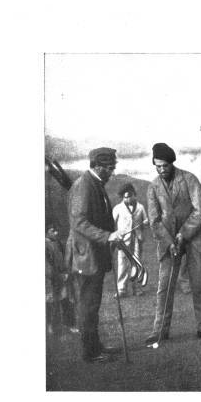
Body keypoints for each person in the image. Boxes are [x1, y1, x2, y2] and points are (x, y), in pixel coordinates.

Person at [145, 143, 201, 344]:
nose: (162, 170)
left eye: (165, 166)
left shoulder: (189, 179)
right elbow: (154, 220)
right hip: (168, 241)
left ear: (172, 163)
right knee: (164, 287)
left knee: (198, 284)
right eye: (158, 166)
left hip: (194, 239)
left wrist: (184, 233)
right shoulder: (153, 187)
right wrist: (169, 241)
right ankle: (160, 331)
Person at [65, 147, 124, 363]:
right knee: (88, 306)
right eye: (109, 168)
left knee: (93, 304)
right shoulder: (84, 186)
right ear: (98, 166)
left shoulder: (95, 183)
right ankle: (90, 352)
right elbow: (78, 222)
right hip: (85, 257)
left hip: (93, 256)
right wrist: (106, 237)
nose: (112, 172)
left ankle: (96, 346)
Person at [112, 183, 149, 297]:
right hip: (123, 241)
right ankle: (121, 289)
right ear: (123, 197)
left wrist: (146, 222)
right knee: (122, 264)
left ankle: (137, 289)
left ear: (134, 195)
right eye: (125, 197)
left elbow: (146, 221)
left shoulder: (140, 207)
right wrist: (115, 235)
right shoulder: (118, 208)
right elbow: (111, 224)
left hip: (137, 239)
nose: (128, 199)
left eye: (130, 196)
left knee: (137, 263)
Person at [45, 222, 77, 335]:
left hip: (62, 277)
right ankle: (50, 326)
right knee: (51, 303)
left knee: (66, 301)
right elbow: (47, 266)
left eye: (56, 230)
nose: (56, 233)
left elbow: (64, 260)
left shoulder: (58, 243)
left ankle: (70, 324)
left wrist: (66, 273)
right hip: (51, 279)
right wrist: (57, 276)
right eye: (52, 231)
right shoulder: (45, 245)